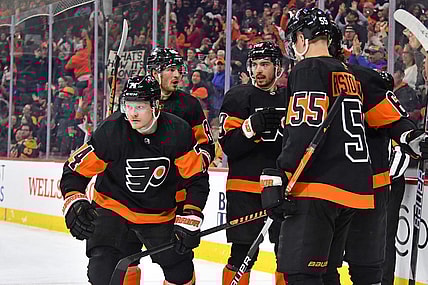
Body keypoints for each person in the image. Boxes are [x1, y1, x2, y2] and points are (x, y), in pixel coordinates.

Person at [259, 8, 427, 284]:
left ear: (302, 40)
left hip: (318, 187)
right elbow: (389, 118)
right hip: (357, 188)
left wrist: (283, 172)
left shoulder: (309, 69)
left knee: (305, 273)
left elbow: (304, 131)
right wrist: (411, 137)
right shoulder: (352, 76)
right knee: (339, 272)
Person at [60, 75, 209, 285]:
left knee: (180, 272)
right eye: (128, 106)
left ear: (156, 106)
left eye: (139, 106)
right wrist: (74, 202)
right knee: (101, 273)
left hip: (158, 214)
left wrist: (191, 214)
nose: (132, 113)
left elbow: (196, 179)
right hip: (113, 208)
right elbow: (74, 172)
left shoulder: (178, 132)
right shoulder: (111, 130)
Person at [323, 21, 425, 285]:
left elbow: (397, 124)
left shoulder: (361, 81)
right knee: (327, 266)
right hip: (331, 190)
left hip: (368, 188)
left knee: (365, 266)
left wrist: (410, 139)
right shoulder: (306, 79)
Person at [218, 41, 286, 284]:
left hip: (284, 188)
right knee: (242, 253)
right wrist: (250, 127)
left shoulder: (291, 97)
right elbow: (229, 146)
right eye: (255, 64)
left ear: (278, 68)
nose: (258, 70)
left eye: (265, 64)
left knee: (287, 256)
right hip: (245, 187)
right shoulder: (238, 96)